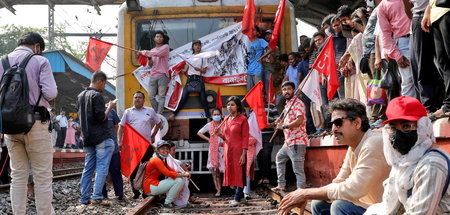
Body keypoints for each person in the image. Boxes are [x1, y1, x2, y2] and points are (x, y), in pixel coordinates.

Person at [278, 99, 391, 215]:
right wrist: (309, 194)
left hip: (386, 210)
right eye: (331, 124)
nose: (333, 129)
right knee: (319, 203)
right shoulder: (353, 147)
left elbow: (353, 189)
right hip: (368, 207)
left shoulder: (373, 143)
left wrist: (305, 193)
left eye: (338, 123)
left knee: (340, 206)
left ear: (357, 123)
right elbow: (339, 182)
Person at [0, 32, 57, 214]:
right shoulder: (40, 61)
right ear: (37, 46)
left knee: (17, 176)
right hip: (35, 124)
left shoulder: (2, 61)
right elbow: (50, 93)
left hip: (10, 126)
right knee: (42, 176)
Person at [365, 96, 450, 214]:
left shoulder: (431, 165)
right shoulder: (405, 162)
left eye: (406, 126)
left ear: (422, 127)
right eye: (393, 128)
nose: (398, 134)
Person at [77, 71, 116, 205]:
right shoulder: (97, 95)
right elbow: (101, 117)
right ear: (100, 81)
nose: (104, 87)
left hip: (87, 138)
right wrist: (110, 107)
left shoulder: (80, 96)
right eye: (104, 84)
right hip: (100, 138)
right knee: (101, 167)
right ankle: (97, 196)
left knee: (88, 168)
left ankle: (84, 198)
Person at [117, 91, 161, 199]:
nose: (137, 99)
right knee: (134, 169)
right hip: (132, 147)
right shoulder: (128, 112)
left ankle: (146, 191)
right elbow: (121, 127)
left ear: (143, 99)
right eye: (135, 97)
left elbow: (159, 122)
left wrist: (153, 135)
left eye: (139, 97)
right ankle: (135, 192)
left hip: (146, 145)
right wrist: (119, 141)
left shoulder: (150, 111)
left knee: (146, 168)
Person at [273, 81, 308, 192]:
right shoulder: (288, 104)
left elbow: (300, 120)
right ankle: (281, 185)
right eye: (284, 90)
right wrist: (281, 121)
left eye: (288, 89)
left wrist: (284, 126)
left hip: (297, 142)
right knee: (279, 158)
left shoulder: (298, 103)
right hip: (288, 142)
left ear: (293, 90)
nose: (286, 92)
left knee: (298, 170)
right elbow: (289, 120)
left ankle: (301, 191)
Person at [377, 0, 416, 98]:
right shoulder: (382, 6)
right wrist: (396, 55)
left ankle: (426, 109)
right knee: (408, 80)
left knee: (425, 75)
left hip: (421, 33)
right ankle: (409, 110)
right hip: (403, 41)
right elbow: (384, 33)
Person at [215, 96, 249, 206]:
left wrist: (244, 153)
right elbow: (226, 136)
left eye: (232, 105)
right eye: (228, 105)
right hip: (228, 150)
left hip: (239, 150)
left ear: (238, 106)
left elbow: (245, 137)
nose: (229, 107)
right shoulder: (226, 119)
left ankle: (237, 197)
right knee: (232, 172)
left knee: (239, 172)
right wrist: (218, 134)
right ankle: (238, 195)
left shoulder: (243, 119)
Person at [422, 1, 450, 120]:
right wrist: (428, 10)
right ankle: (448, 105)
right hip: (436, 14)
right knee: (443, 62)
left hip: (447, 11)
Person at [169, 40, 211, 120]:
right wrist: (177, 69)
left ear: (200, 47)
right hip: (190, 79)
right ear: (193, 47)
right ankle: (174, 115)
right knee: (183, 98)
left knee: (203, 99)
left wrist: (199, 70)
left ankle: (208, 117)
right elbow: (185, 70)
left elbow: (204, 71)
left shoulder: (203, 57)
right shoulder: (189, 57)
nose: (197, 46)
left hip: (199, 79)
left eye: (199, 45)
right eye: (195, 45)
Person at [143, 140, 190, 208]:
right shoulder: (156, 160)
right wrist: (183, 174)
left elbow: (172, 171)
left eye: (167, 148)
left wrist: (183, 173)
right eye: (162, 148)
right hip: (150, 186)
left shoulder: (162, 160)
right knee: (178, 181)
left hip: (152, 185)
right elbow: (167, 173)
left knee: (178, 179)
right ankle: (167, 203)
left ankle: (168, 201)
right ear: (157, 151)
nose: (166, 150)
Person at [139, 30, 170, 114]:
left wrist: (146, 52)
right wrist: (148, 58)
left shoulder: (165, 47)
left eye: (160, 37)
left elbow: (158, 53)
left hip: (163, 75)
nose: (159, 38)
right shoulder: (152, 50)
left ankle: (159, 115)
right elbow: (150, 64)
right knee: (150, 96)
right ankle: (157, 114)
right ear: (154, 39)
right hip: (153, 75)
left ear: (163, 39)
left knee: (161, 96)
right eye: (157, 37)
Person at [197, 108, 224, 197]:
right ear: (212, 116)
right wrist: (208, 139)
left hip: (224, 150)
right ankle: (218, 190)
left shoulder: (225, 124)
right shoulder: (209, 125)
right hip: (213, 151)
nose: (216, 116)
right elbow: (199, 133)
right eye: (214, 115)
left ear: (221, 115)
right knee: (215, 172)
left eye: (218, 114)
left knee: (227, 169)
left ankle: (232, 186)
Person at [102, 108, 124, 201]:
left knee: (115, 170)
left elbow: (117, 126)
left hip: (113, 146)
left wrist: (117, 140)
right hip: (100, 147)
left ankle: (119, 193)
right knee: (101, 171)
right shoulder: (93, 111)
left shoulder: (112, 112)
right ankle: (102, 194)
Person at [247, 25, 270, 92]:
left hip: (257, 69)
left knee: (258, 90)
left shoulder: (260, 41)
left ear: (257, 32)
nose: (251, 31)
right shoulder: (247, 42)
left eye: (254, 30)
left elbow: (271, 48)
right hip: (249, 69)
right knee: (249, 91)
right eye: (251, 30)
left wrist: (262, 57)